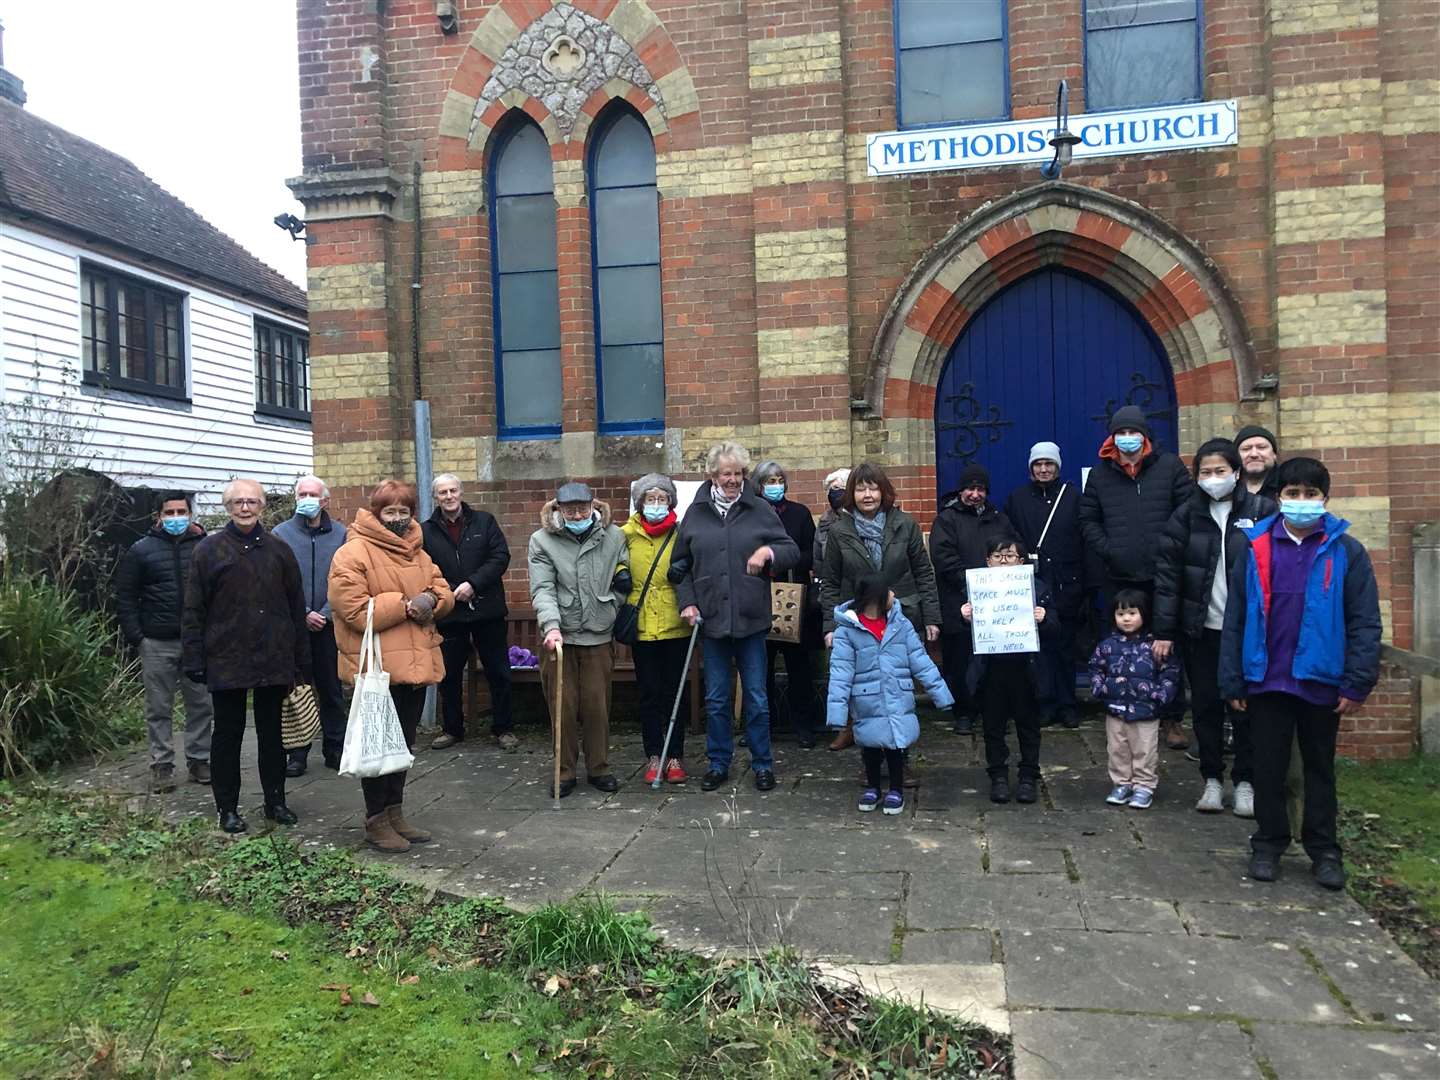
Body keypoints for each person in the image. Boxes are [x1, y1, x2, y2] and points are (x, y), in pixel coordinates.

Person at [1220, 457, 1382, 891]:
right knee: (1267, 768)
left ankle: (1324, 850)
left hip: (1321, 679)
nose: (1302, 501)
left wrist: (1357, 679)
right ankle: (1269, 843)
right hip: (1267, 677)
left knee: (1318, 770)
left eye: (1311, 494)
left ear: (1325, 499)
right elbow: (1236, 616)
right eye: (1293, 494)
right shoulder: (1254, 547)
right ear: (1279, 497)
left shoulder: (1347, 551)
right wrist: (1232, 677)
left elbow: (1364, 620)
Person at [1153, 439, 1277, 818]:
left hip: (1248, 631)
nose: (1213, 478)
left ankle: (1245, 781)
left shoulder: (1262, 511)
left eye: (1220, 471)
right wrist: (1165, 630)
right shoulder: (1186, 515)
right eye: (1205, 472)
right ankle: (1211, 779)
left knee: (1245, 708)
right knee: (1205, 707)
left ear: (1235, 472)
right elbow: (1168, 576)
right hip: (1202, 629)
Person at [329, 480, 454, 853]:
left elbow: (443, 591)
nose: (398, 519)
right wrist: (404, 605)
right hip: (377, 668)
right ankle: (375, 820)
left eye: (404, 512)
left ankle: (395, 813)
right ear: (376, 513)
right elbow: (351, 608)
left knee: (403, 744)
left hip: (415, 665)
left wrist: (430, 600)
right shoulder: (352, 553)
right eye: (390, 512)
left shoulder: (418, 552)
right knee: (377, 747)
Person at [182, 479, 309, 834]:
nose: (245, 507)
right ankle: (227, 808)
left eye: (252, 501)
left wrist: (301, 660)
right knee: (227, 734)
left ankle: (275, 801)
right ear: (227, 507)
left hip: (273, 656)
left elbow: (295, 605)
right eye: (237, 501)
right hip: (226, 657)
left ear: (263, 506)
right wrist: (194, 658)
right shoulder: (208, 551)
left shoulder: (279, 550)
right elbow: (193, 608)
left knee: (273, 735)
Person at [674, 441, 800, 792]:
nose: (732, 480)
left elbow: (791, 550)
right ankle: (718, 763)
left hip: (750, 618)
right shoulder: (695, 514)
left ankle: (762, 764)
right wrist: (688, 602)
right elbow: (679, 566)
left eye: (738, 474)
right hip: (711, 620)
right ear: (712, 476)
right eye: (726, 473)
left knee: (757, 698)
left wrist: (768, 550)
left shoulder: (760, 509)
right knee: (716, 699)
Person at [1078, 405, 1194, 750]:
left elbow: (1188, 510)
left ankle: (1172, 716)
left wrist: (1170, 546)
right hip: (1120, 574)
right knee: (1122, 648)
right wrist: (1109, 548)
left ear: (1145, 436)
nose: (1127, 439)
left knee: (1166, 644)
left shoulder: (1170, 467)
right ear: (1112, 438)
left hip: (1164, 572)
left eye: (1133, 433)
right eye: (1121, 433)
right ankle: (1122, 712)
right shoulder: (1101, 475)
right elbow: (1088, 519)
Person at [820, 462, 942, 754]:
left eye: (873, 487)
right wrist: (830, 626)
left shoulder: (905, 524)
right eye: (860, 488)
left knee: (900, 694)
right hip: (860, 624)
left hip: (901, 619)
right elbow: (831, 582)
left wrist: (931, 618)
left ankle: (902, 762)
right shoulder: (839, 532)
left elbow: (924, 572)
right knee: (866, 697)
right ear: (852, 494)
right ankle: (870, 764)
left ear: (883, 491)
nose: (867, 495)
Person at [528, 481, 630, 798]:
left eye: (582, 507)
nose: (576, 513)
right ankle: (565, 771)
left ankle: (599, 768)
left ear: (593, 506)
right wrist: (551, 626)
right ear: (558, 508)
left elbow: (623, 575)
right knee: (563, 706)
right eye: (569, 508)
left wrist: (613, 605)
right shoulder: (542, 540)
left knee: (597, 706)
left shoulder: (613, 536)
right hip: (560, 636)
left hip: (599, 633)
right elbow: (543, 588)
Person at [827, 574, 954, 815]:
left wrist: (941, 694)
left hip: (898, 697)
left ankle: (896, 789)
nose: (894, 595)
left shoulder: (900, 624)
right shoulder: (847, 631)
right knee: (870, 747)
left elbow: (921, 662)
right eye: (889, 591)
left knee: (897, 747)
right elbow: (840, 673)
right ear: (877, 596)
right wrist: (837, 713)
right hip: (867, 700)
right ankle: (873, 787)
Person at [115, 490, 213, 794]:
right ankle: (162, 765)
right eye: (169, 513)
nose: (175, 518)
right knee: (159, 706)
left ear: (190, 513)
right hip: (157, 642)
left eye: (180, 512)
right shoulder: (141, 551)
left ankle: (199, 759)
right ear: (158, 516)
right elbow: (125, 596)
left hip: (197, 641)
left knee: (201, 704)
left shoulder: (204, 547)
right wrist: (138, 637)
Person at [960, 534, 1058, 804]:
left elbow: (1055, 630)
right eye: (997, 557)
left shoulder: (1038, 588)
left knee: (1029, 726)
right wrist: (966, 618)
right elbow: (963, 636)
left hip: (1027, 670)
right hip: (991, 671)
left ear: (1021, 561)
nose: (1004, 562)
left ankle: (1028, 776)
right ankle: (998, 776)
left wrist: (1045, 618)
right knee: (993, 727)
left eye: (1010, 556)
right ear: (987, 562)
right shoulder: (976, 589)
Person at [421, 473, 514, 752]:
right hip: (450, 613)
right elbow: (424, 569)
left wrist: (473, 584)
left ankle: (504, 728)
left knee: (499, 672)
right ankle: (452, 729)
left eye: (453, 491)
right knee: (448, 676)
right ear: (435, 497)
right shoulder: (425, 531)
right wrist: (451, 590)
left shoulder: (484, 522)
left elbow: (500, 557)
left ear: (461, 493)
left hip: (488, 610)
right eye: (442, 493)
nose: (448, 497)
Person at [1003, 441, 1085, 729]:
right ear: (1031, 468)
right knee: (1038, 650)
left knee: (1065, 647)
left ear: (1057, 467)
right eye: (1038, 464)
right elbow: (1009, 538)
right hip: (1032, 585)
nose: (1044, 469)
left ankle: (1068, 704)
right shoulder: (1017, 498)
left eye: (1049, 464)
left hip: (1067, 584)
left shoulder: (1074, 497)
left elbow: (1083, 539)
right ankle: (1045, 703)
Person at [273, 474, 349, 775]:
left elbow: (347, 580)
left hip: (329, 626)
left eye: (312, 494)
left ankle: (335, 747)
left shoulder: (342, 535)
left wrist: (326, 613)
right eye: (301, 494)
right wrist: (303, 612)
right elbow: (275, 580)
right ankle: (297, 752)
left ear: (325, 500)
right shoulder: (280, 534)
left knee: (331, 689)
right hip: (294, 627)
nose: (306, 499)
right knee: (296, 691)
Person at [931, 462, 1013, 735]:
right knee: (959, 661)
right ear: (961, 490)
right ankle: (963, 712)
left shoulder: (999, 518)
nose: (975, 494)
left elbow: (1011, 552)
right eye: (970, 488)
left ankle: (992, 709)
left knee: (993, 662)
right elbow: (944, 559)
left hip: (995, 605)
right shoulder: (947, 519)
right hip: (958, 603)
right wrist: (975, 585)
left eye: (980, 489)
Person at [620, 473, 690, 784]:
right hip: (643, 624)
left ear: (671, 502)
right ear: (640, 503)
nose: (657, 505)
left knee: (674, 692)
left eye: (662, 499)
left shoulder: (681, 533)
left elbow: (694, 560)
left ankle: (675, 756)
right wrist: (621, 572)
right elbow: (614, 561)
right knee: (648, 693)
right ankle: (654, 755)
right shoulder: (625, 533)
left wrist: (684, 567)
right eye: (651, 499)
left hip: (676, 622)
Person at [1091, 588, 1181, 810]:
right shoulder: (1107, 645)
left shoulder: (1155, 646)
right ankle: (1121, 783)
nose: (1126, 618)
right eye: (1121, 614)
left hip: (1146, 708)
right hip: (1115, 706)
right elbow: (1096, 668)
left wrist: (1161, 695)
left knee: (1145, 749)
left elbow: (1170, 672)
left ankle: (1143, 785)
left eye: (1132, 613)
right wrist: (1099, 688)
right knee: (1117, 749)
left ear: (1144, 614)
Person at [754, 460, 820, 749]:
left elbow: (810, 553)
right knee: (760, 668)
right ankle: (761, 727)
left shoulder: (799, 513)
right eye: (769, 481)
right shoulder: (750, 514)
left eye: (779, 479)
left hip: (794, 599)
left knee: (799, 668)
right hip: (758, 598)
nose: (775, 485)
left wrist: (781, 557)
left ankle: (803, 725)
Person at [813, 466, 851, 567]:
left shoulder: (862, 519)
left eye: (840, 488)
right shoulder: (824, 522)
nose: (835, 492)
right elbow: (818, 558)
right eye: (833, 489)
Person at [1234, 424, 1280, 499]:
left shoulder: (1287, 483)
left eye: (1261, 447)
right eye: (1246, 449)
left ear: (1274, 454)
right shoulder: (1228, 487)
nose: (1254, 454)